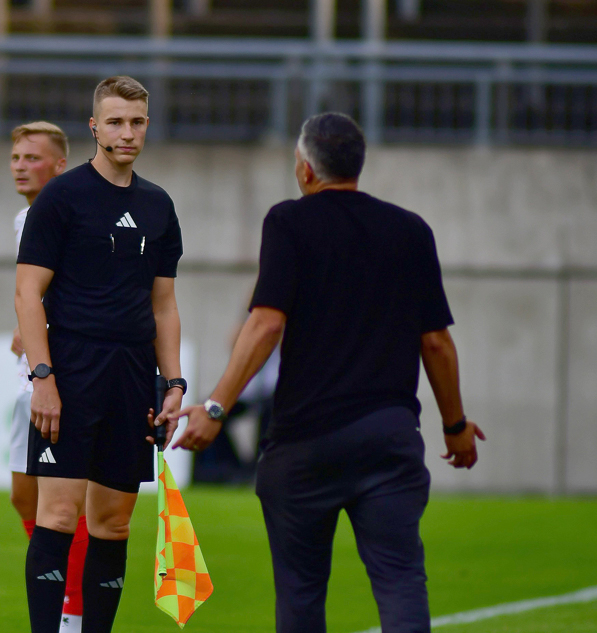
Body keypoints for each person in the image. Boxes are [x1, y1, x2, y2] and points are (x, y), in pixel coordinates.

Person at [176, 112, 486, 633]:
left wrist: (215, 407)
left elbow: (265, 323)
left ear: (305, 168)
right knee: (401, 581)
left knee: (301, 593)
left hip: (305, 441)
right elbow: (436, 341)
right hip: (387, 439)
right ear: (357, 166)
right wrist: (455, 426)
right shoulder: (410, 230)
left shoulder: (289, 222)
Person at [15, 76, 186, 633]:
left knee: (113, 525)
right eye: (115, 122)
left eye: (136, 122)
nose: (127, 133)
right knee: (58, 515)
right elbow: (27, 293)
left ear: (147, 126)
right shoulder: (61, 197)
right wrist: (43, 377)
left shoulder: (159, 205)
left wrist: (174, 383)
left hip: (133, 377)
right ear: (94, 127)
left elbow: (164, 305)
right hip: (71, 371)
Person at [8, 121, 88, 633]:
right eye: (16, 157)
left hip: (58, 374)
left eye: (32, 157)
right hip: (29, 374)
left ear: (60, 165)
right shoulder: (24, 218)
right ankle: (64, 596)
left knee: (64, 506)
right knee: (24, 497)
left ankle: (72, 610)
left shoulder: (72, 214)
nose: (20, 166)